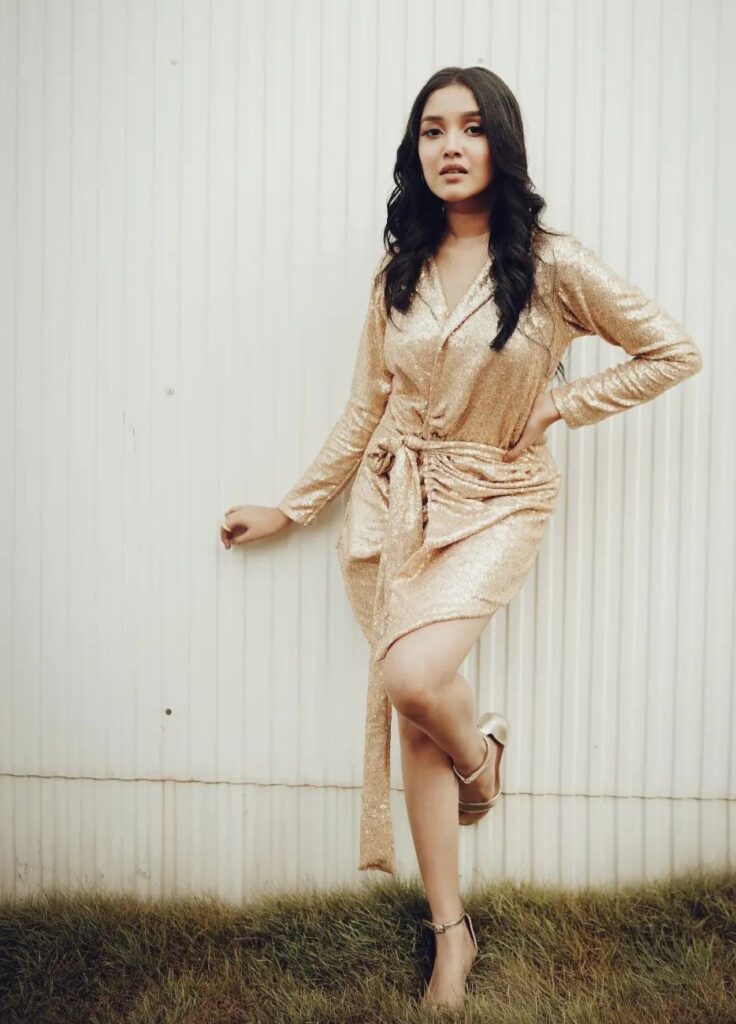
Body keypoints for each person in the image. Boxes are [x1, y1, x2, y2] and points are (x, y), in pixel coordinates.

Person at [219, 66, 703, 1010]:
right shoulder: (396, 270)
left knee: (411, 677)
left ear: (500, 144)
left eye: (471, 128)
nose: (450, 145)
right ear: (416, 150)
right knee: (415, 704)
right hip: (400, 500)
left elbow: (670, 351)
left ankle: (479, 768)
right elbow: (365, 408)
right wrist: (293, 507)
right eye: (433, 129)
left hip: (501, 497)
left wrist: (560, 403)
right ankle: (451, 931)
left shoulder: (553, 264)